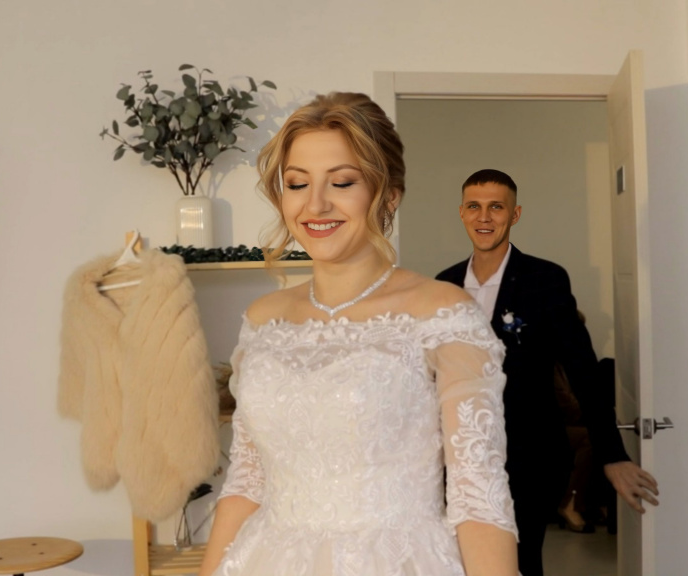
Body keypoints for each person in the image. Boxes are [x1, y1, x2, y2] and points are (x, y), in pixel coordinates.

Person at [198, 94, 519, 576]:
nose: (315, 204)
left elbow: (480, 496)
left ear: (388, 195)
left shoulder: (442, 312)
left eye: (343, 182)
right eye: (297, 183)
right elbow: (246, 482)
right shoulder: (263, 319)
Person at [435, 169, 659, 576]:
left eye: (496, 207)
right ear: (462, 213)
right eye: (474, 207)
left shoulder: (545, 279)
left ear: (514, 214)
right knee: (460, 563)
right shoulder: (444, 285)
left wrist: (611, 455)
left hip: (531, 457)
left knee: (516, 562)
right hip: (461, 457)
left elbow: (583, 369)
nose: (484, 217)